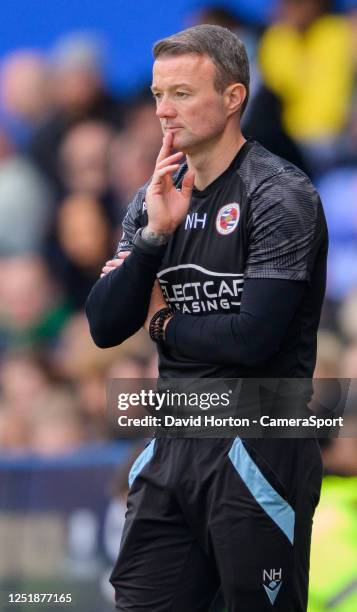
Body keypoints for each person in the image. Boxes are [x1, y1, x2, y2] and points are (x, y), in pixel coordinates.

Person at [86, 25, 328, 612]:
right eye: (157, 94)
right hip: (173, 441)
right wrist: (152, 239)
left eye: (183, 94)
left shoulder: (279, 194)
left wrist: (164, 325)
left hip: (261, 441)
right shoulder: (153, 197)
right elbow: (104, 326)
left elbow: (250, 338)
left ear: (232, 97)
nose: (164, 112)